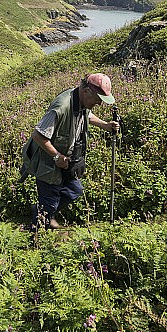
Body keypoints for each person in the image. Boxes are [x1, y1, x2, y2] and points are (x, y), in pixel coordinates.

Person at [21, 73, 120, 230]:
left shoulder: (81, 101)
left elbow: (87, 114)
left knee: (74, 190)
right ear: (87, 91)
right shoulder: (62, 106)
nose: (99, 103)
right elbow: (38, 135)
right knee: (50, 202)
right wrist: (56, 156)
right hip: (48, 163)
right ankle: (34, 236)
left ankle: (43, 212)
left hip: (67, 161)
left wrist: (104, 125)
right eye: (98, 99)